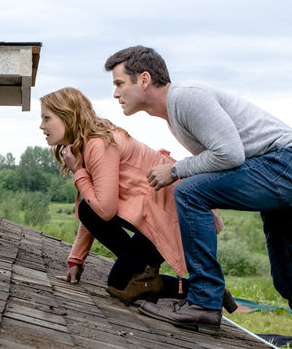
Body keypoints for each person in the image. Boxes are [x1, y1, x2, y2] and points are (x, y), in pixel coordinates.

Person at [103, 46, 292, 349]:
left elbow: (229, 155)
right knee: (290, 280)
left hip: (287, 164)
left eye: (120, 83)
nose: (116, 93)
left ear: (144, 79)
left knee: (187, 192)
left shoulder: (186, 98)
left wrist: (175, 170)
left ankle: (203, 300)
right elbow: (223, 159)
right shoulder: (175, 113)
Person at [39, 87, 236, 312]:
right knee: (119, 284)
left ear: (68, 115)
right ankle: (210, 292)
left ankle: (161, 279)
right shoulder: (87, 146)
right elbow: (95, 203)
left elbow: (102, 211)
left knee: (87, 209)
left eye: (47, 118)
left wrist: (78, 173)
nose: (41, 126)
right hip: (153, 216)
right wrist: (76, 260)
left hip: (173, 217)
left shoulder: (98, 144)